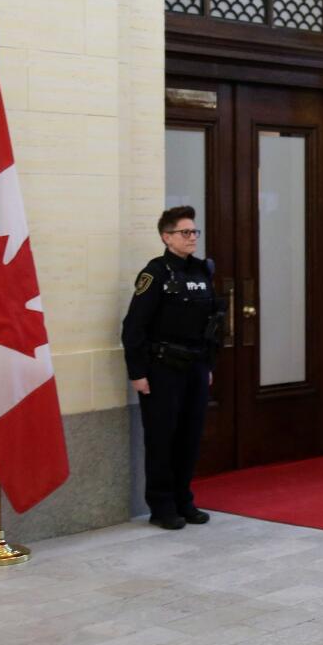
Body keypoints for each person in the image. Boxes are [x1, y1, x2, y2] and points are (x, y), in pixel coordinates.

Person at [121, 206, 221, 530]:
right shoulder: (156, 274)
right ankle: (162, 505)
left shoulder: (202, 272)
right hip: (162, 369)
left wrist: (208, 365)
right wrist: (137, 372)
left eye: (194, 232)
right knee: (162, 439)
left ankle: (184, 500)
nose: (192, 238)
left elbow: (211, 326)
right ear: (166, 237)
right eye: (185, 232)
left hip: (194, 367)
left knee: (190, 438)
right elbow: (133, 326)